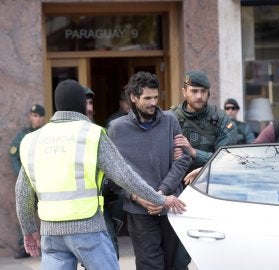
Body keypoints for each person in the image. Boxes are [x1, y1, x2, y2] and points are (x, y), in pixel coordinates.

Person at [15, 79, 186, 270]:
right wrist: (160, 199)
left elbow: (22, 193)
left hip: (50, 233)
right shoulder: (91, 134)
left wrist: (29, 230)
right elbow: (124, 176)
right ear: (82, 103)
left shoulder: (33, 139)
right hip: (87, 230)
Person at [107, 71, 191, 270]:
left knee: (174, 265)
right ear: (133, 98)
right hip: (139, 212)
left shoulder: (171, 121)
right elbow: (112, 173)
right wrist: (136, 197)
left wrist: (159, 195)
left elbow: (182, 160)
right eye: (147, 98)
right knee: (149, 266)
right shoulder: (117, 129)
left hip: (171, 208)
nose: (153, 102)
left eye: (155, 97)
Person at [171, 70, 238, 270]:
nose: (199, 96)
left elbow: (228, 160)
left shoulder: (221, 119)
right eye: (194, 91)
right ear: (184, 91)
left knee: (214, 251)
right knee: (176, 253)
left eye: (203, 91)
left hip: (211, 192)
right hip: (177, 191)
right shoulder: (170, 118)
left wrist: (194, 154)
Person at [9, 104, 45, 259]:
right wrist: (21, 176)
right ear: (30, 116)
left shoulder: (46, 134)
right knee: (24, 212)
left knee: (47, 214)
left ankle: (48, 245)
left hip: (44, 182)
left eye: (39, 116)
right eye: (34, 115)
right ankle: (24, 247)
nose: (37, 119)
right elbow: (13, 156)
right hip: (28, 183)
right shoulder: (22, 135)